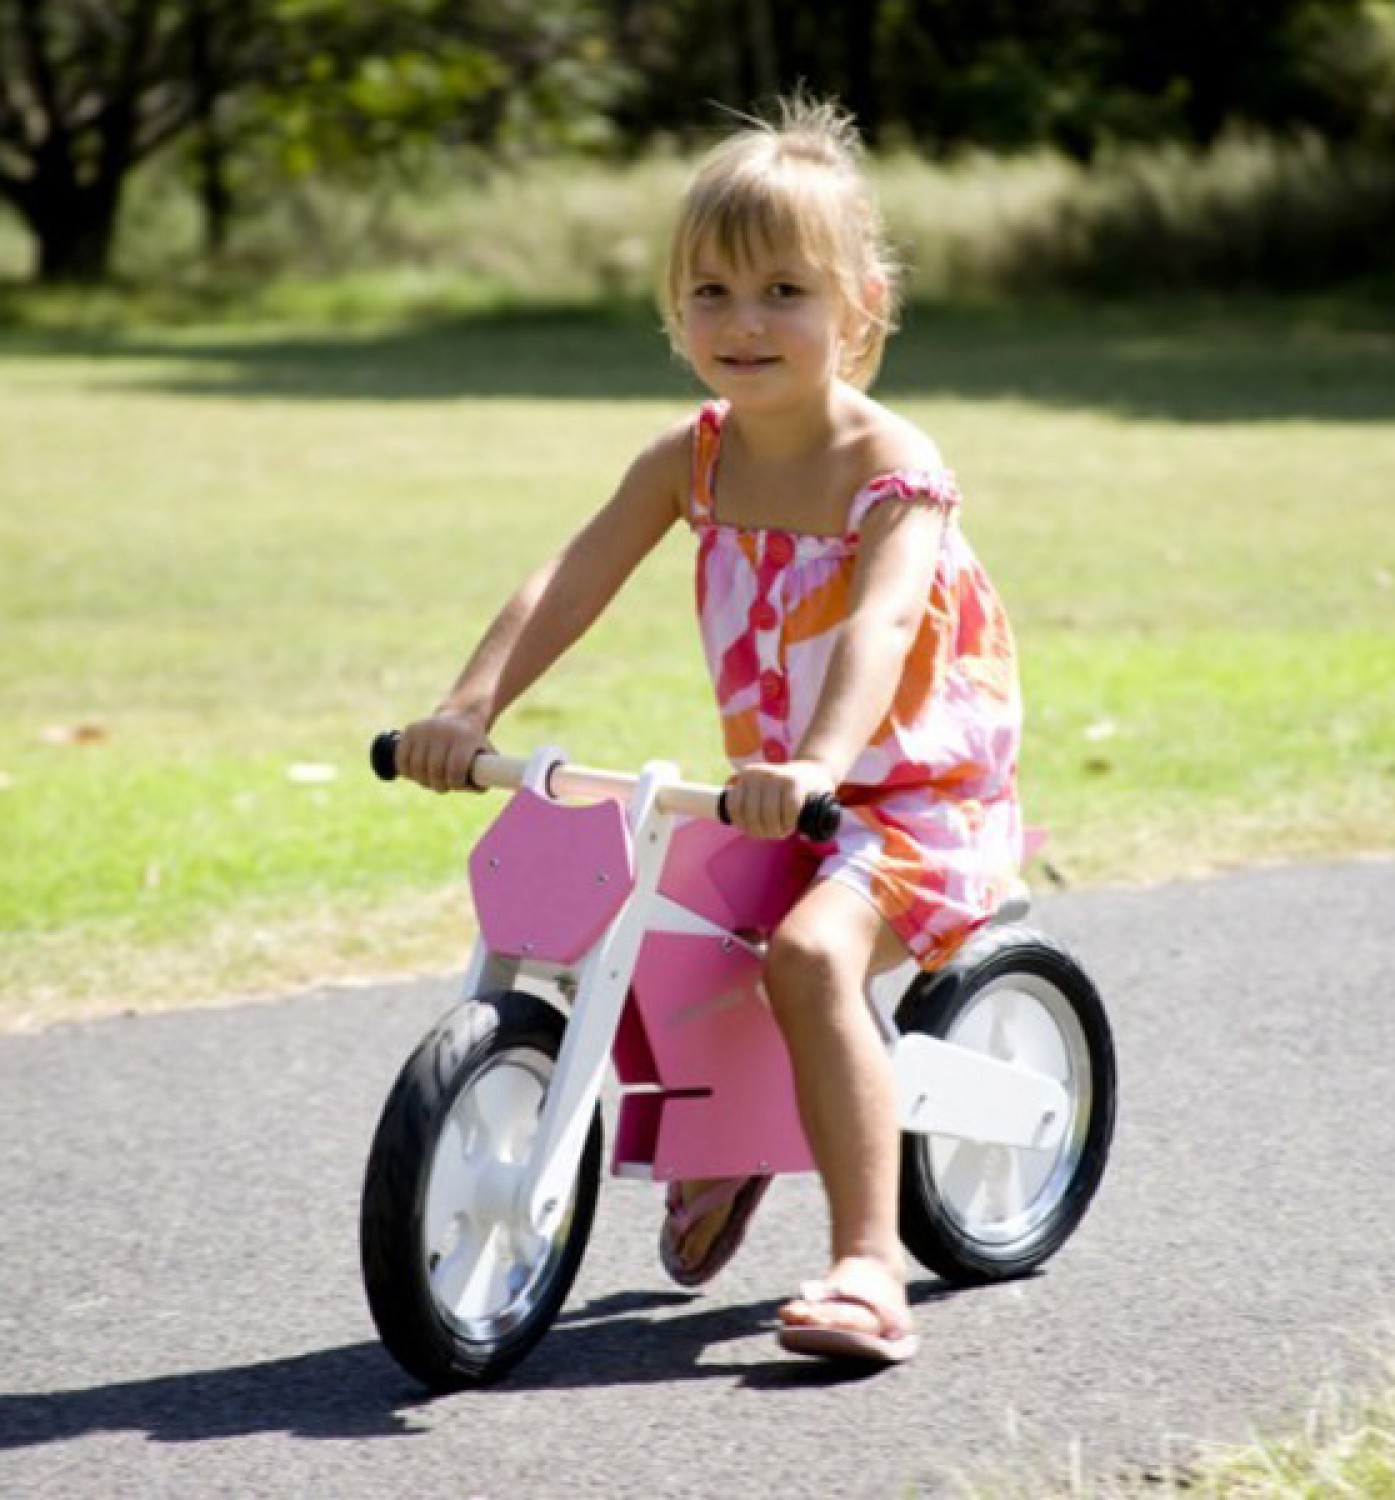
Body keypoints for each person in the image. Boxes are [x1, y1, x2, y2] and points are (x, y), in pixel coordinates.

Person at [394, 95, 1023, 1366]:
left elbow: (882, 626)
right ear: (675, 310)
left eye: (784, 290)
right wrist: (471, 707)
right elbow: (568, 579)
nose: (743, 323)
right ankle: (734, 1139)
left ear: (862, 303)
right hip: (783, 792)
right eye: (712, 292)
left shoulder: (891, 465)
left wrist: (816, 765)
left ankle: (866, 1262)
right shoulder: (690, 457)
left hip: (909, 797)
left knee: (802, 959)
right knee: (663, 920)